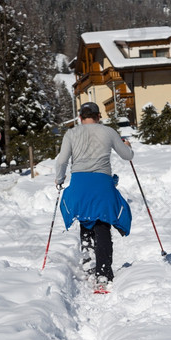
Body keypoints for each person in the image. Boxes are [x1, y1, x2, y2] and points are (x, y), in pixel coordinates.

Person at [55, 101, 133, 289]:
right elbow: (127, 156)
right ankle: (103, 271)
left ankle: (89, 260)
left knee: (85, 217)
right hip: (102, 182)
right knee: (103, 221)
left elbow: (62, 161)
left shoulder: (71, 133)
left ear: (81, 118)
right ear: (98, 116)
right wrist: (128, 146)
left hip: (80, 182)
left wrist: (59, 180)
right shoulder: (108, 132)